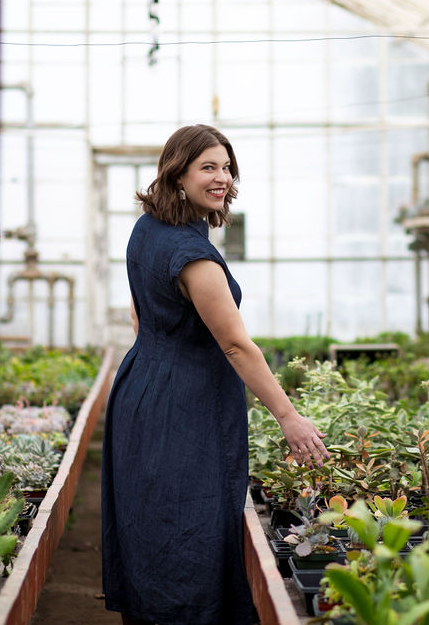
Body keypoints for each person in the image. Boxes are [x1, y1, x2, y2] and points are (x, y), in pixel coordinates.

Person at [102, 124, 329, 624]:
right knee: (192, 523)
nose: (222, 177)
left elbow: (140, 314)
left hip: (143, 383)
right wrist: (288, 416)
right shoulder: (193, 256)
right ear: (177, 174)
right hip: (185, 403)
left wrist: (162, 349)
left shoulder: (148, 230)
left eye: (226, 167)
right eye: (208, 167)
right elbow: (234, 344)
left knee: (152, 517)